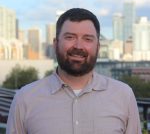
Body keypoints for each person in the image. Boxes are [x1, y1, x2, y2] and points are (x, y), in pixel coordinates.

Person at [6, 8, 141, 134]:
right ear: (55, 43)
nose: (78, 46)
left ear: (98, 47)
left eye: (87, 39)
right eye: (70, 37)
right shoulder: (25, 99)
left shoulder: (123, 95)